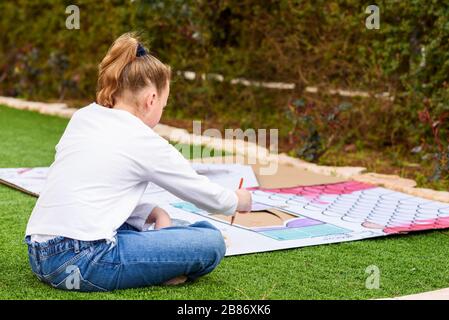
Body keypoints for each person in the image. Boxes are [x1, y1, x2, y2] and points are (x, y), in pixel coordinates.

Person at [24, 32, 252, 292]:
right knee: (211, 242)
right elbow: (201, 192)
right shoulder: (142, 139)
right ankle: (163, 268)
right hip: (84, 259)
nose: (161, 112)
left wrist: (153, 212)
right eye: (163, 106)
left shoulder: (84, 117)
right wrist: (239, 201)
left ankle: (161, 251)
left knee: (176, 226)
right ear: (151, 100)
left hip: (40, 253)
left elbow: (95, 189)